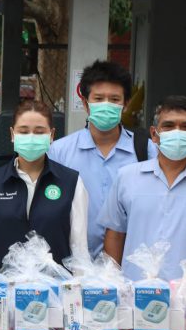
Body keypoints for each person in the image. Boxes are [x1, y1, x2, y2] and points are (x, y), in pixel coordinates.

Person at [48, 60, 157, 258]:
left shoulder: (146, 151)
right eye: (98, 99)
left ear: (125, 104)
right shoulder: (59, 152)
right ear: (85, 103)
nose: (106, 105)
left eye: (114, 99)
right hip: (73, 264)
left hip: (130, 264)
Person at [0, 100, 88, 270]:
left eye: (39, 131)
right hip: (3, 284)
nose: (31, 137)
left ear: (51, 135)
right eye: (24, 131)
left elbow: (79, 249)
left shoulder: (71, 182)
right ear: (12, 134)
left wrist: (79, 284)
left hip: (57, 285)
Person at [99, 96, 186, 281]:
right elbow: (115, 235)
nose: (178, 133)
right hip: (135, 291)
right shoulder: (127, 177)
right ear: (154, 134)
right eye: (169, 126)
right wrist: (113, 282)